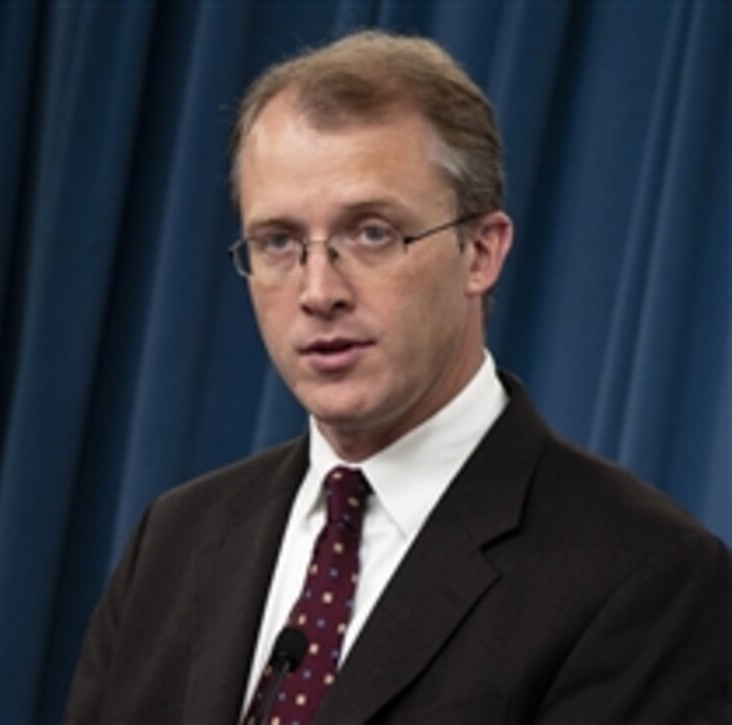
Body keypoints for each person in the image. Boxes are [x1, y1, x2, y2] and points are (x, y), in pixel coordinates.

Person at [65, 30, 731, 723]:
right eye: (279, 242)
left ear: (480, 251)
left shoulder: (642, 575)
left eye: (372, 232)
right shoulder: (174, 541)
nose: (318, 289)